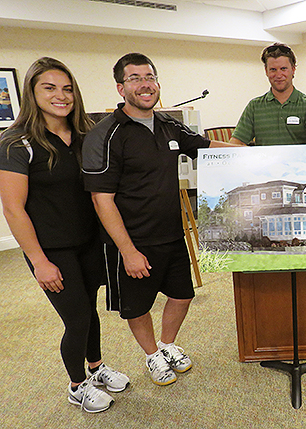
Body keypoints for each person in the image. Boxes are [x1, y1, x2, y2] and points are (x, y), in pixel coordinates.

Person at [82, 53, 241, 386]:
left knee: (182, 296)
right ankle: (152, 354)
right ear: (120, 87)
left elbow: (207, 146)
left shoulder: (169, 125)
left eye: (150, 77)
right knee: (137, 307)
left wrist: (256, 154)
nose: (145, 84)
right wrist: (128, 251)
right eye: (135, 78)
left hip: (171, 235)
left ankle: (167, 344)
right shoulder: (106, 135)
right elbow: (101, 199)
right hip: (132, 241)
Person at [0, 57, 129, 413]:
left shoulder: (84, 135)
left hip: (87, 241)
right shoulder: (16, 143)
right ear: (32, 92)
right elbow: (13, 209)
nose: (62, 95)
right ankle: (77, 386)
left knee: (89, 309)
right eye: (50, 88)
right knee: (76, 317)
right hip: (51, 248)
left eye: (67, 88)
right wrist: (39, 262)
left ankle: (96, 368)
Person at [230, 43, 306, 146]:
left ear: (293, 70)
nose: (279, 75)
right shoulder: (254, 106)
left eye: (283, 69)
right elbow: (236, 142)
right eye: (273, 70)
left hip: (298, 162)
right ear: (266, 71)